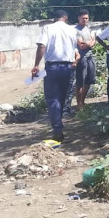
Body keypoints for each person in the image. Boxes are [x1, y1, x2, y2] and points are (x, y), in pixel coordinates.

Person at [32, 10, 79, 142]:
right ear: (66, 18)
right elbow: (75, 50)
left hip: (53, 67)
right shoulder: (72, 30)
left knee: (53, 99)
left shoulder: (48, 28)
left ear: (55, 18)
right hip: (68, 67)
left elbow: (42, 46)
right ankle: (58, 124)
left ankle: (57, 129)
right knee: (62, 97)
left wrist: (36, 65)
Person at [72, 9, 97, 111]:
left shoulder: (88, 28)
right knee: (80, 81)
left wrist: (90, 43)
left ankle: (83, 101)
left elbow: (93, 41)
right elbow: (81, 45)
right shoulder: (76, 30)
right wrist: (90, 43)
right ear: (79, 18)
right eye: (83, 18)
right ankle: (79, 104)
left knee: (89, 79)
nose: (85, 20)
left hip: (90, 56)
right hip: (81, 58)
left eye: (86, 18)